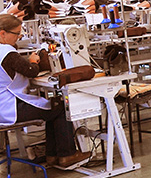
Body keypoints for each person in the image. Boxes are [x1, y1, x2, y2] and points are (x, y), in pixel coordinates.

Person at [0, 15, 88, 167]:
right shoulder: (7, 53)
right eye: (17, 34)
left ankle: (52, 156)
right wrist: (33, 61)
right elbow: (31, 71)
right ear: (2, 33)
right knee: (60, 108)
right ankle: (67, 155)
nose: (19, 37)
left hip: (4, 107)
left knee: (52, 109)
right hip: (10, 108)